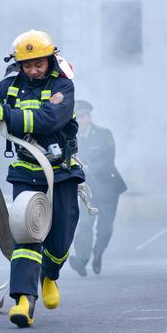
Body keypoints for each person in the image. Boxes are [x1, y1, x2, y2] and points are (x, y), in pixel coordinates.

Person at [0, 29, 84, 327]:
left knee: (60, 236)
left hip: (62, 171)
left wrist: (1, 112)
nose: (32, 70)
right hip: (26, 171)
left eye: (38, 64)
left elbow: (47, 120)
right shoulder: (8, 87)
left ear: (49, 60)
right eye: (26, 65)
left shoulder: (62, 86)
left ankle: (51, 277)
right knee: (26, 233)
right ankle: (23, 302)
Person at [68, 100, 127, 276]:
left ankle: (98, 253)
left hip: (108, 188)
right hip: (88, 189)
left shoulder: (103, 134)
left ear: (89, 117)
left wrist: (87, 166)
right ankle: (81, 260)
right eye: (77, 116)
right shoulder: (70, 136)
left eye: (83, 116)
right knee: (85, 225)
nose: (81, 119)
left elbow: (108, 159)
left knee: (105, 229)